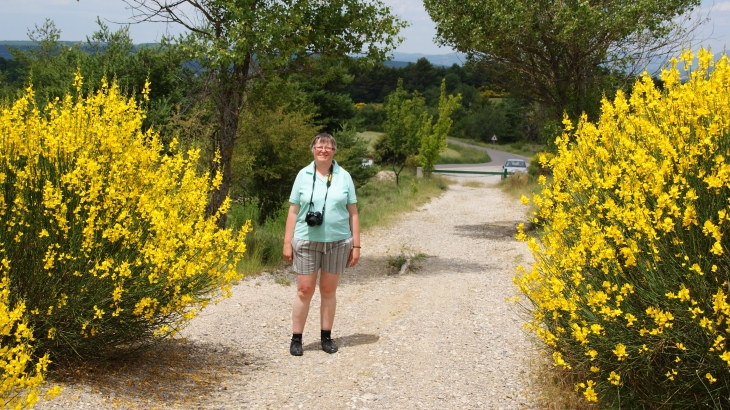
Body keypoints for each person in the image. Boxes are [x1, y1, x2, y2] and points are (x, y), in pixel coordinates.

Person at [283, 133, 361, 356]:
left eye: (328, 147)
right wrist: (287, 242)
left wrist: (356, 246)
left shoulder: (344, 176)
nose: (323, 150)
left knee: (328, 290)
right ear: (313, 149)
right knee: (304, 289)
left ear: (334, 151)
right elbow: (293, 210)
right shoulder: (303, 174)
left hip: (337, 242)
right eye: (319, 146)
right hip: (306, 240)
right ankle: (296, 338)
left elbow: (353, 213)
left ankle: (326, 337)